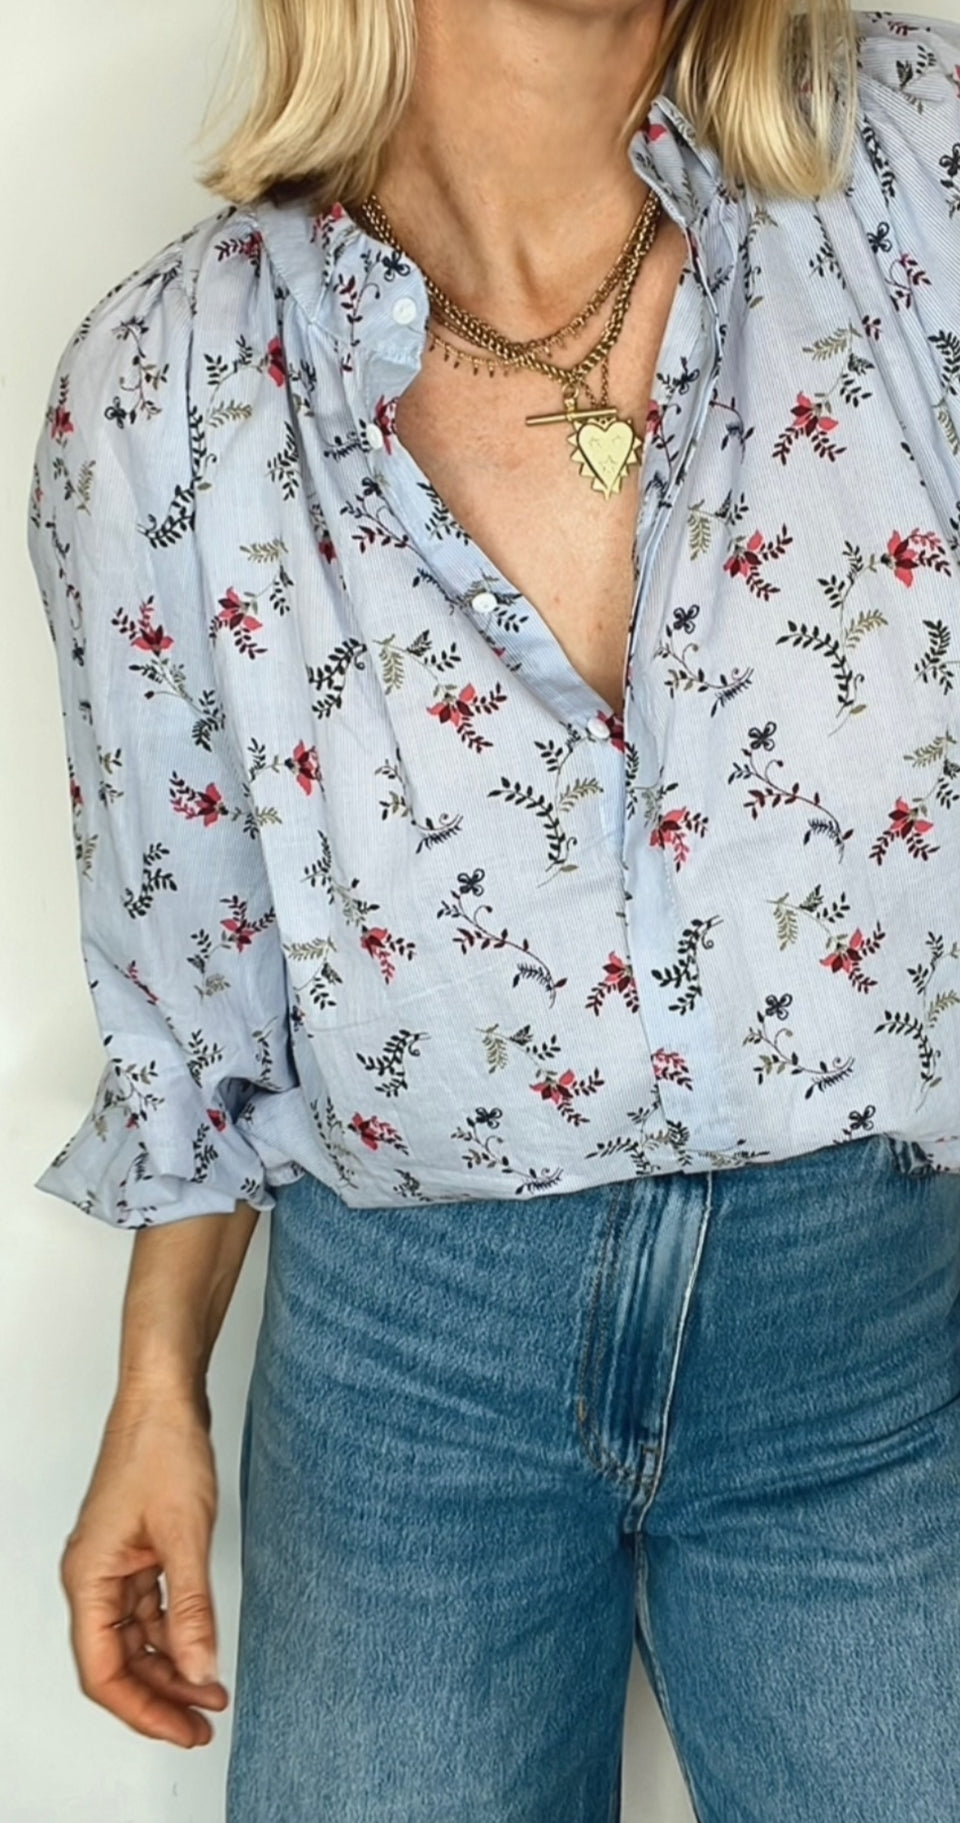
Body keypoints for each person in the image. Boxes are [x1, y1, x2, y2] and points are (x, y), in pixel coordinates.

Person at [26, 0, 960, 1815]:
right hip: (410, 1394)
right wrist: (156, 1391)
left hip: (869, 1350)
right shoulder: (165, 388)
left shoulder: (907, 174)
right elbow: (194, 995)